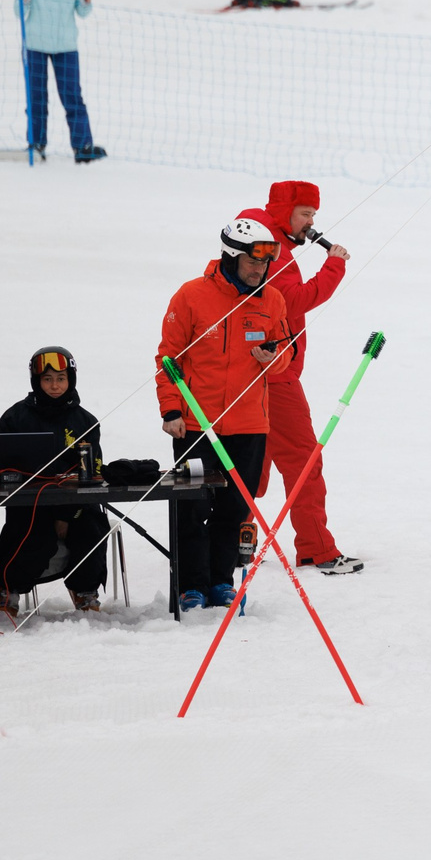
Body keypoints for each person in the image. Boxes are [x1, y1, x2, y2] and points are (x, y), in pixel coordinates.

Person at [157, 216, 288, 609]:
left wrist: (272, 359)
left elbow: (285, 357)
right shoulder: (192, 295)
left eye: (264, 263)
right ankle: (190, 585)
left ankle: (220, 581)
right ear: (230, 258)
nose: (259, 270)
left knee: (235, 509)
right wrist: (170, 410)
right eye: (252, 262)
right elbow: (168, 358)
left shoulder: (272, 300)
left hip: (249, 425)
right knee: (193, 507)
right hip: (196, 425)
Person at [245, 180, 358, 573]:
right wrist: (334, 266)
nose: (312, 222)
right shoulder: (271, 250)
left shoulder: (263, 239)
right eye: (306, 213)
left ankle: (232, 543)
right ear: (284, 210)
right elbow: (295, 301)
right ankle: (317, 549)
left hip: (254, 375)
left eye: (314, 215)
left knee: (251, 466)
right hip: (274, 376)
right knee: (303, 463)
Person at [0, 347, 108, 615]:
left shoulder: (85, 420)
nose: (54, 385)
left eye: (61, 378)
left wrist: (66, 513)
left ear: (71, 380)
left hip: (76, 505)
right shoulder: (14, 416)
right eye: (47, 379)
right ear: (36, 381)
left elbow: (93, 472)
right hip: (30, 504)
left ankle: (85, 591)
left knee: (91, 527)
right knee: (30, 532)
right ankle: (7, 592)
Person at [17, 0, 107, 165]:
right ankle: (36, 144)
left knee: (72, 96)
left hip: (66, 45)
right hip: (35, 43)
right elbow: (18, 11)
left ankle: (82, 146)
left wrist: (86, 2)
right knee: (36, 97)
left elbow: (83, 11)